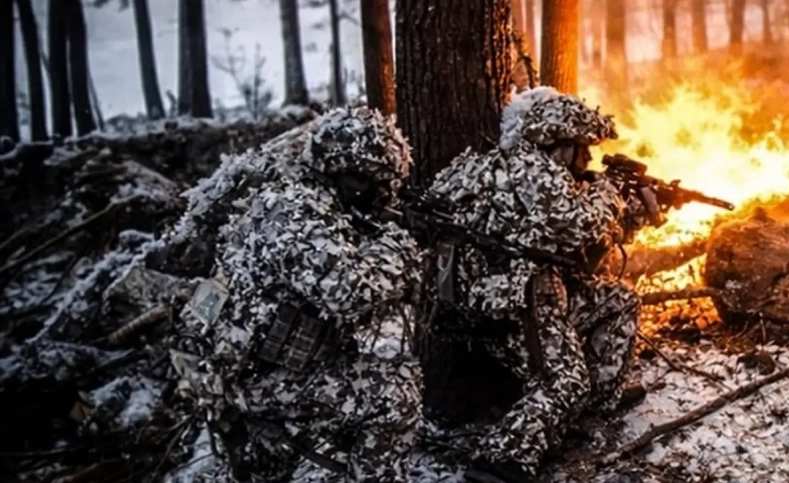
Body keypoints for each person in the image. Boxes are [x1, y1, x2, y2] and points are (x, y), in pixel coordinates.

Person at [168, 106, 424, 482]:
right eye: (373, 183)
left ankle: (263, 454)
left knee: (270, 468)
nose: (381, 196)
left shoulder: (288, 200)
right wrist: (400, 246)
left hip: (249, 369)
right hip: (250, 380)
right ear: (345, 172)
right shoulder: (297, 213)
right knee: (396, 393)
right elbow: (347, 293)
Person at [426, 87, 646, 482]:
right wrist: (611, 190)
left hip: (508, 295)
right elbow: (577, 226)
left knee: (618, 300)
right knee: (566, 381)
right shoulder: (531, 168)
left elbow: (575, 249)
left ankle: (594, 403)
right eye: (581, 147)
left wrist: (628, 216)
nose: (588, 159)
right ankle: (501, 459)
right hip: (514, 305)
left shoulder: (506, 166)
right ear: (558, 143)